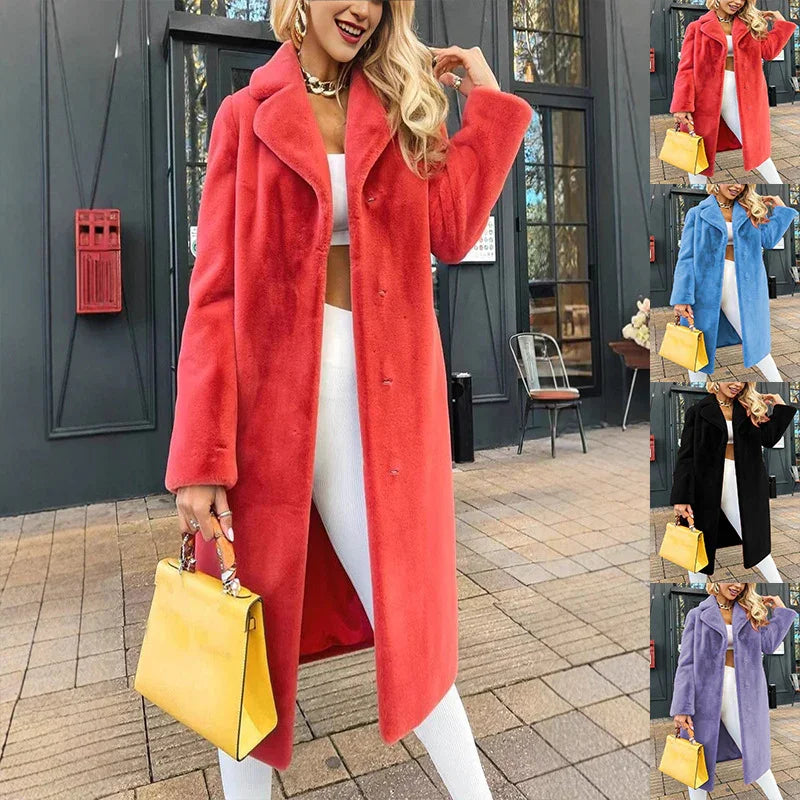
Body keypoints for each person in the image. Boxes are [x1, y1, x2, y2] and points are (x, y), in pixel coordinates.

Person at [163, 0, 533, 798]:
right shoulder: (243, 115)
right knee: (246, 640)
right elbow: (215, 296)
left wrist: (490, 103)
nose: (362, 9)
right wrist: (200, 457)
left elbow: (453, 228)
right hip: (271, 414)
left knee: (413, 624)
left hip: (389, 398)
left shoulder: (394, 107)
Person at [671, 582, 798, 799]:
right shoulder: (697, 614)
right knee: (697, 760)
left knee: (756, 756)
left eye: (742, 582)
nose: (737, 586)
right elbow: (686, 663)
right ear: (715, 582)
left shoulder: (747, 612)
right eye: (731, 580)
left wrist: (781, 611)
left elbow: (767, 644)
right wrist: (681, 707)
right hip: (703, 696)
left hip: (743, 693)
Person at [671, 381, 797, 582]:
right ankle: (697, 591)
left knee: (756, 541)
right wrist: (681, 497)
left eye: (742, 381)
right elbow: (685, 456)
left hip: (744, 481)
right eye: (731, 380)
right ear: (715, 381)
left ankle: (777, 584)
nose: (737, 384)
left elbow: (769, 438)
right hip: (705, 484)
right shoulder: (697, 411)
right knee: (696, 543)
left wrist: (780, 406)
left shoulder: (747, 408)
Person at [670, 184, 798, 381]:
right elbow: (686, 257)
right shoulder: (697, 213)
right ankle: (698, 389)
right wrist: (681, 297)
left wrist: (780, 209)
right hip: (703, 287)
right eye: (730, 181)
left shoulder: (748, 210)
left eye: (742, 183)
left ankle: (777, 384)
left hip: (743, 284)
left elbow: (769, 239)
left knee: (756, 341)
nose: (736, 186)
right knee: (696, 347)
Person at [670, 0, 796, 183]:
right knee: (697, 150)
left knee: (754, 144)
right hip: (704, 97)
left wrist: (781, 23)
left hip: (744, 93)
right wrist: (681, 106)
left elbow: (768, 52)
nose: (737, 2)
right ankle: (697, 191)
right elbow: (686, 68)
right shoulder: (697, 27)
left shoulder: (748, 24)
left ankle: (776, 184)